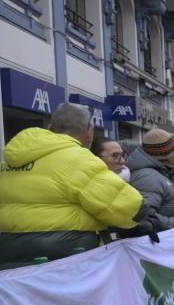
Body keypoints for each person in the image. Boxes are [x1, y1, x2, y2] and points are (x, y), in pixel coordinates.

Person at [0, 104, 143, 268]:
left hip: (7, 252)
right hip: (64, 255)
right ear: (89, 130)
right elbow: (130, 209)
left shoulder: (9, 159)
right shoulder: (78, 158)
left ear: (50, 128)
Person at [128, 128, 174, 231]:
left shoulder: (155, 173)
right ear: (168, 156)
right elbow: (145, 219)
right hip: (163, 242)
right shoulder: (148, 178)